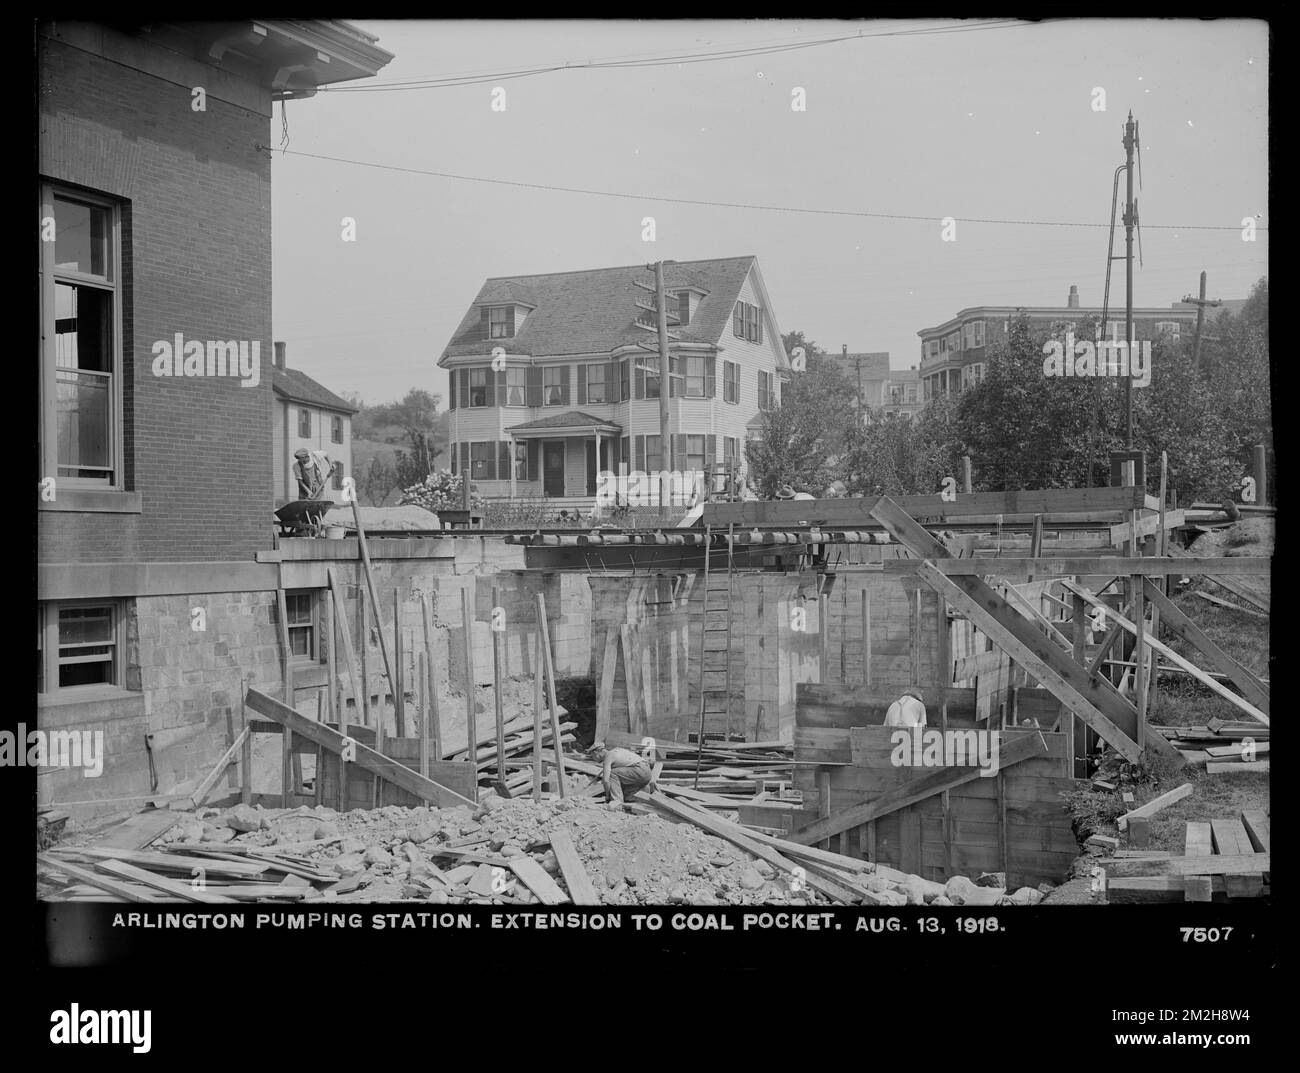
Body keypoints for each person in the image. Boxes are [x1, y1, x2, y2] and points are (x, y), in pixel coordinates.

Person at [587, 741, 656, 809]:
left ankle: (616, 802)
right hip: (647, 772)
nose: (593, 759)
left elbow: (606, 780)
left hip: (638, 770)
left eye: (592, 756)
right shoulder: (617, 750)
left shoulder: (608, 757)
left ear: (596, 752)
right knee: (624, 794)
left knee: (612, 773)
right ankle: (641, 801)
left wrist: (607, 796)